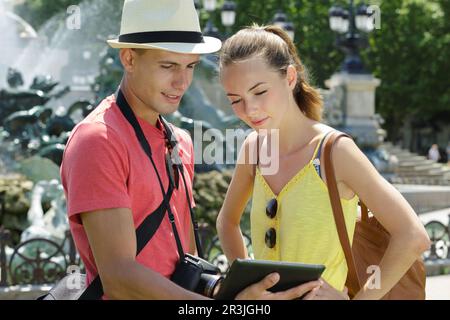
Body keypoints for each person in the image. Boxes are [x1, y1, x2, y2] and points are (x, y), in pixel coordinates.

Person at [60, 1, 320, 300]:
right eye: (168, 65)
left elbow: (184, 258)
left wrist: (233, 293)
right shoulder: (99, 140)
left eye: (190, 67)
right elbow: (119, 276)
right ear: (129, 59)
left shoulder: (179, 141)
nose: (182, 82)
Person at [216, 25, 431, 300]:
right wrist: (247, 287)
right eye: (236, 100)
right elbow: (227, 222)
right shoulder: (254, 149)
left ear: (290, 77)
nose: (249, 110)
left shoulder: (336, 151)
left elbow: (412, 235)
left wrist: (361, 299)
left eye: (259, 92)